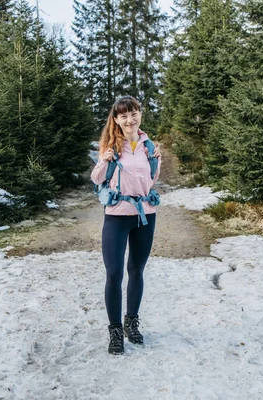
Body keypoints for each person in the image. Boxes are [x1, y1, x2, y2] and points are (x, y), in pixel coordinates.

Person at [91, 95, 161, 355]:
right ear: (116, 120)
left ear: (140, 114)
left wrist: (157, 157)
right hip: (116, 215)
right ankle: (115, 331)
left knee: (137, 270)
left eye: (133, 113)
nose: (130, 119)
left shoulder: (148, 146)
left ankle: (131, 323)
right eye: (123, 116)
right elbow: (96, 178)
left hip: (145, 214)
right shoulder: (111, 146)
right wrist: (105, 160)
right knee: (114, 273)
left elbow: (152, 179)